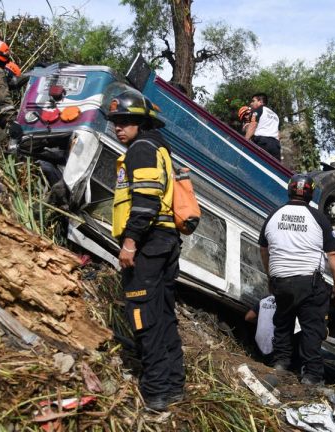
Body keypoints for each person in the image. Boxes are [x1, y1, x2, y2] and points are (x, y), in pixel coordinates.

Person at [108, 88, 184, 413]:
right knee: (165, 315)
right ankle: (174, 385)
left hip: (148, 245)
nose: (118, 128)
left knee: (144, 317)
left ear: (141, 123)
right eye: (116, 122)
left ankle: (155, 394)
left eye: (125, 121)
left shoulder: (141, 149)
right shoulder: (158, 148)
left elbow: (145, 202)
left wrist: (129, 243)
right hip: (166, 242)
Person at [259, 173, 335, 385]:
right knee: (312, 328)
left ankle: (280, 364)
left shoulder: (274, 215)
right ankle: (312, 375)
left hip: (281, 281)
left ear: (289, 190)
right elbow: (332, 254)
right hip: (309, 283)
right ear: (311, 193)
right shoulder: (318, 218)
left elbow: (263, 248)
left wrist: (271, 274)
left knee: (283, 322)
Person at [244, 295, 301, 364]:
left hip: (258, 348)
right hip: (276, 351)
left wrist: (261, 320)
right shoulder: (289, 302)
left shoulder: (263, 300)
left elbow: (248, 317)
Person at [244, 93, 281, 160]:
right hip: (276, 146)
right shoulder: (275, 115)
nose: (251, 104)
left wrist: (244, 142)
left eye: (253, 101)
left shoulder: (258, 109)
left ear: (260, 102)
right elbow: (278, 134)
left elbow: (253, 125)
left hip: (262, 143)